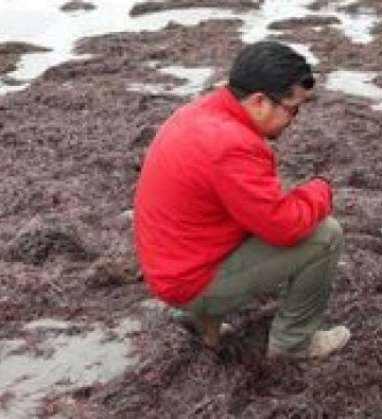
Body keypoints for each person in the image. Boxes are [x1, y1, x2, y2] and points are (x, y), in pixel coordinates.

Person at [133, 41, 349, 359]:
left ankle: (200, 318)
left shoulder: (199, 112)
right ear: (260, 101)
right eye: (293, 108)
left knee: (264, 209)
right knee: (325, 235)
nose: (295, 119)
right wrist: (321, 190)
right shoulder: (232, 145)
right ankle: (293, 344)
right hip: (189, 281)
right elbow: (284, 227)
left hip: (171, 266)